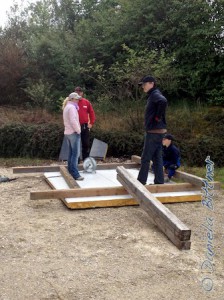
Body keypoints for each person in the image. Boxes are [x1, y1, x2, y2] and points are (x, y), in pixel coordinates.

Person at [137, 75, 167, 185]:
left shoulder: (155, 95)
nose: (143, 87)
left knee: (145, 158)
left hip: (154, 132)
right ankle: (159, 182)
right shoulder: (153, 95)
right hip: (158, 132)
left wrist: (157, 118)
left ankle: (140, 182)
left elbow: (163, 101)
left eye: (144, 84)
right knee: (157, 158)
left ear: (151, 84)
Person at [62, 92, 84, 181]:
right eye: (76, 99)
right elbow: (73, 120)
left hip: (68, 133)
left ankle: (70, 171)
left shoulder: (67, 107)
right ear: (72, 99)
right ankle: (75, 174)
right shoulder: (72, 108)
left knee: (71, 153)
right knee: (75, 155)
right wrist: (78, 130)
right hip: (73, 133)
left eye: (78, 99)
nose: (78, 100)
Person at [74, 86, 96, 161]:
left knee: (85, 144)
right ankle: (76, 161)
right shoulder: (72, 102)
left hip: (84, 126)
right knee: (76, 144)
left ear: (82, 93)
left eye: (79, 92)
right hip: (75, 126)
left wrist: (91, 123)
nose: (78, 93)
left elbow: (92, 113)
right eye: (76, 92)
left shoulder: (86, 102)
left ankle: (86, 160)